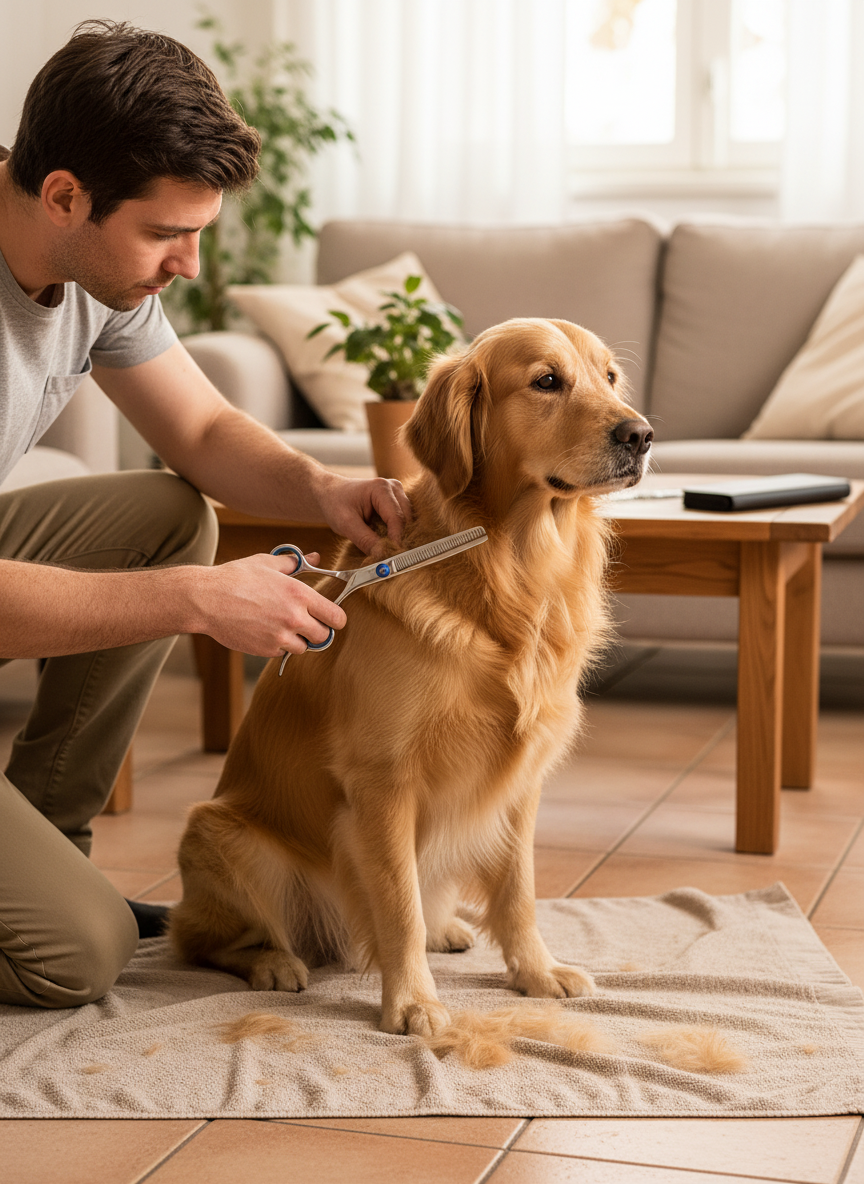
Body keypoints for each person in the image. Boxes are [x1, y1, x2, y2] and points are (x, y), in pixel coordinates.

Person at [0, 21, 410, 1008]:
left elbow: (204, 429)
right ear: (63, 193)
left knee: (169, 513)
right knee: (76, 955)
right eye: (164, 233)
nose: (185, 262)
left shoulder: (95, 263)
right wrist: (191, 600)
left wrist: (322, 490)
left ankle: (46, 846)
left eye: (196, 231)